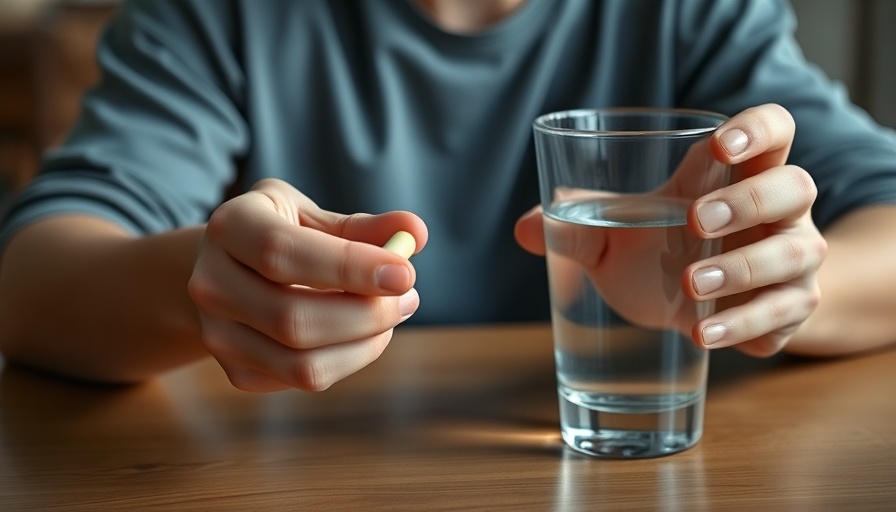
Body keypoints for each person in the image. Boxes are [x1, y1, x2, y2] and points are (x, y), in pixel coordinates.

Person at [0, 0, 894, 392]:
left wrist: (762, 291)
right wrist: (199, 289)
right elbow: (30, 277)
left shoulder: (693, 11)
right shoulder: (220, 12)